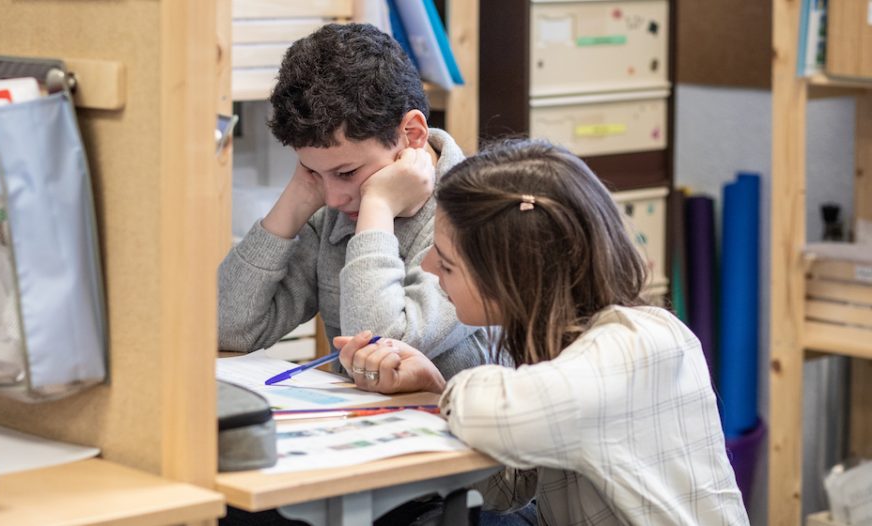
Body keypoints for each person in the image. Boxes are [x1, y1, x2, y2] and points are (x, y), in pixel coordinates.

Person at [335, 139, 750, 524]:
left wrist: (444, 393)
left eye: (446, 263)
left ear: (513, 277)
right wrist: (431, 384)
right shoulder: (558, 350)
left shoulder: (640, 342)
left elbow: (492, 414)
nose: (426, 268)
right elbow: (504, 487)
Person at [218, 23, 488, 379]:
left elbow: (381, 351)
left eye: (346, 172)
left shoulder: (479, 214)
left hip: (453, 427)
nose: (332, 197)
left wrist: (377, 206)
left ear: (412, 134)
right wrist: (296, 199)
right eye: (312, 170)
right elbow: (226, 328)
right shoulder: (335, 201)